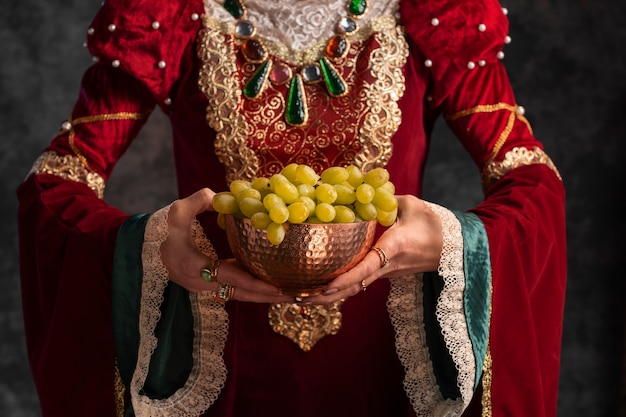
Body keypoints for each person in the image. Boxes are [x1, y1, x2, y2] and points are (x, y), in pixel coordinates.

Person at [16, 0, 567, 416]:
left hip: (386, 370)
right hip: (222, 374)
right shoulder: (170, 14)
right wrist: (154, 247)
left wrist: (454, 240)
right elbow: (55, 185)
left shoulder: (433, 13)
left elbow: (533, 182)